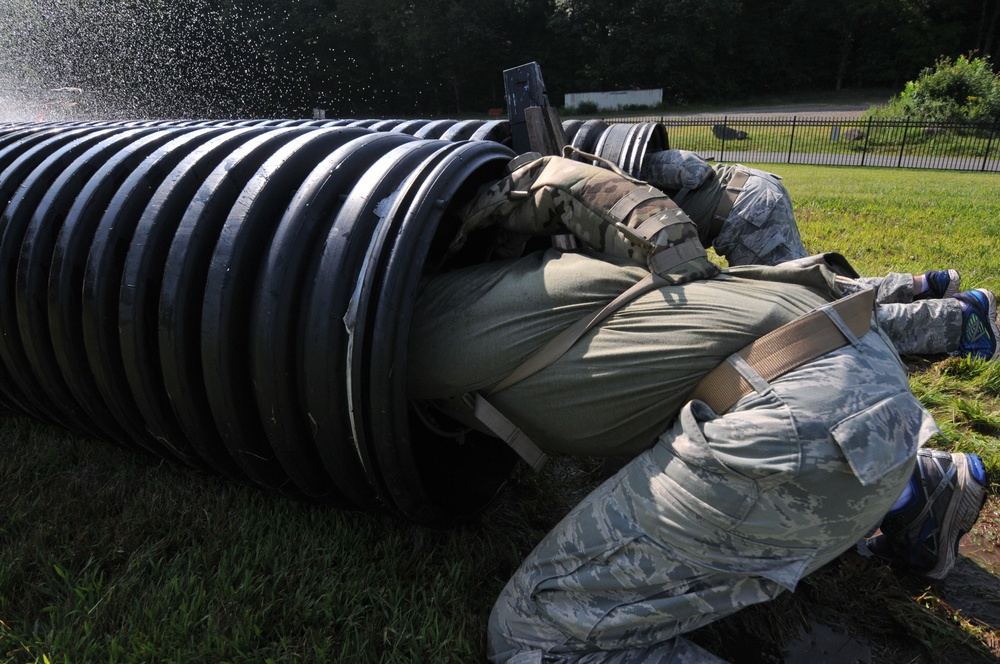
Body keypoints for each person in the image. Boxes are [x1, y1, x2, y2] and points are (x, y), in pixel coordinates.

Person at [409, 153, 989, 662]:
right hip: (849, 349)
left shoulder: (426, 330)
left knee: (534, 640)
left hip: (795, 418)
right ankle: (917, 489)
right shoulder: (559, 269)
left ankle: (886, 486)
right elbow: (570, 184)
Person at [640, 149, 999, 362]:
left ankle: (956, 320)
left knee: (803, 318)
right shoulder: (617, 155)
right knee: (815, 286)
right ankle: (922, 286)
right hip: (749, 191)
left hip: (744, 215)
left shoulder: (606, 171)